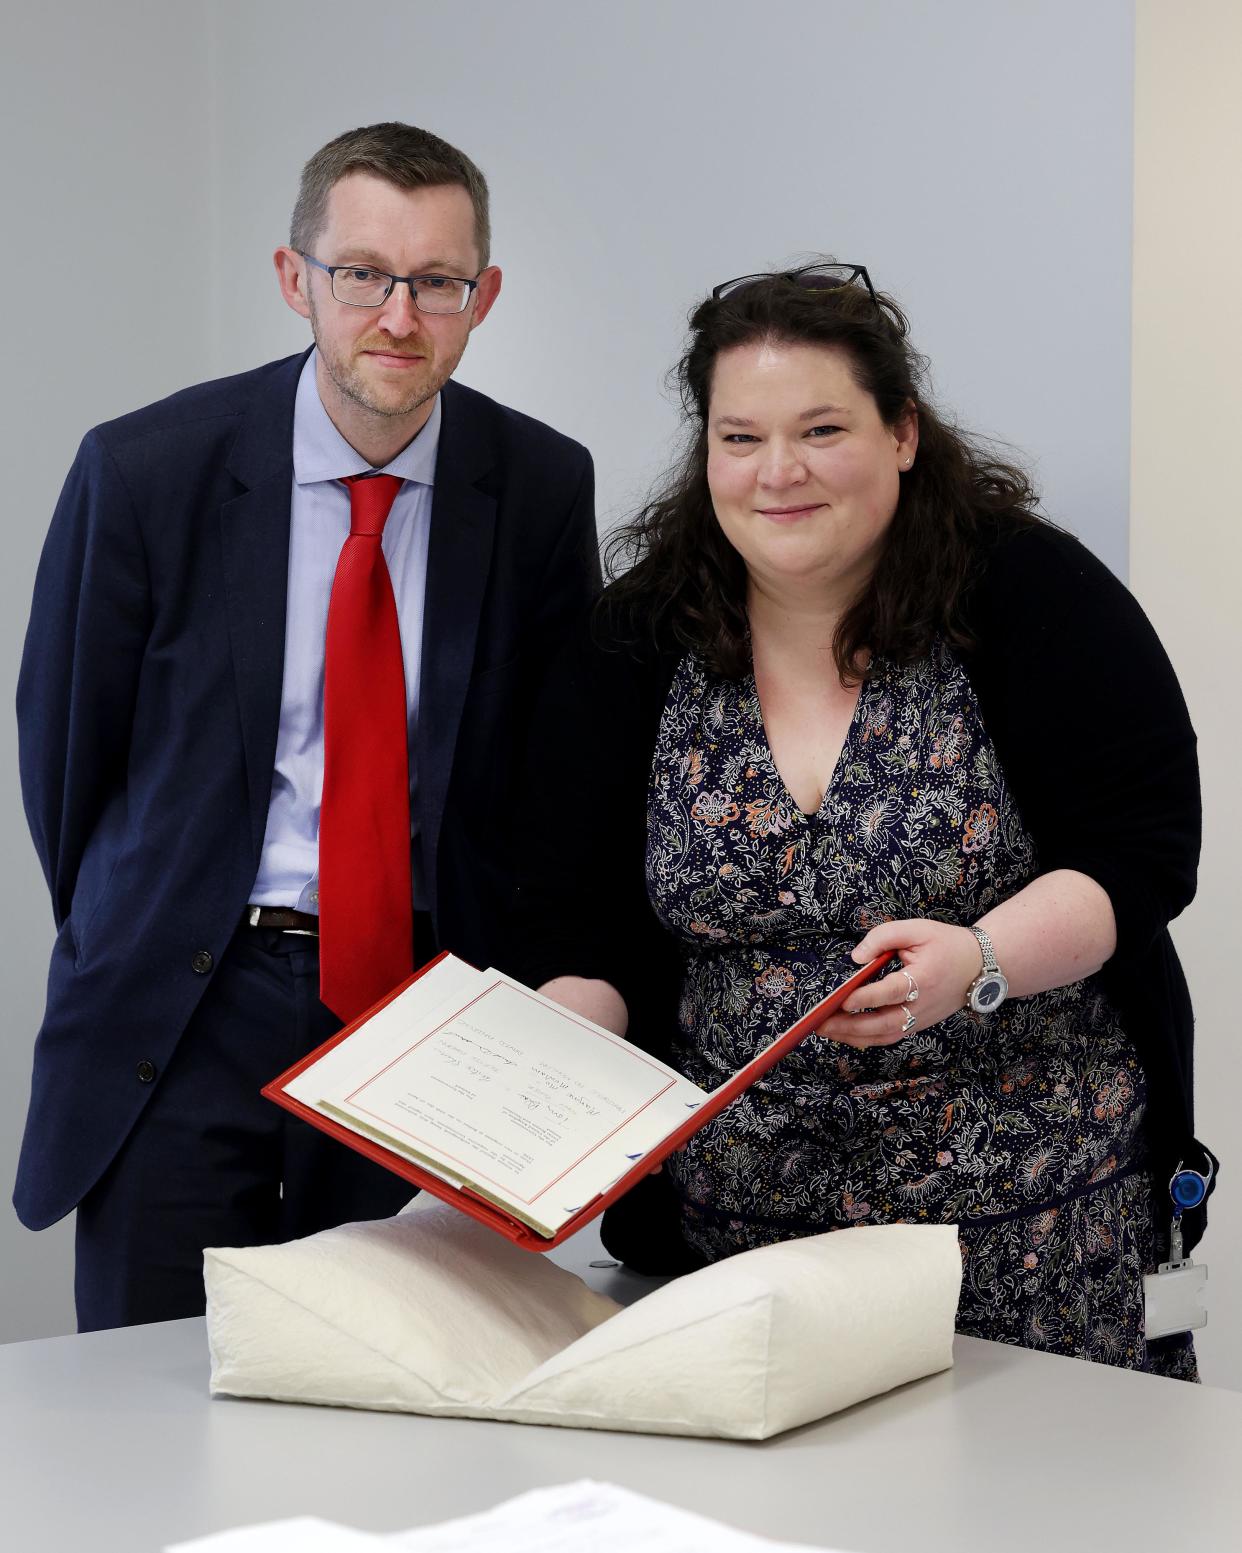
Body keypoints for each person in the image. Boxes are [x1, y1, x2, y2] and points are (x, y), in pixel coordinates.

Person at [528, 262, 1216, 1378]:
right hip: (738, 1252)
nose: (778, 472)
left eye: (820, 429)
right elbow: (576, 918)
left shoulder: (1030, 592)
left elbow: (1140, 851)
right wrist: (551, 1058)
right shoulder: (636, 637)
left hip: (1033, 1241)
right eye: (740, 437)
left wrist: (982, 956)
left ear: (901, 431)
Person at [15, 122, 599, 1331]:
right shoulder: (147, 469)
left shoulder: (540, 485)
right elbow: (68, 744)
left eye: (436, 282)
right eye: (362, 275)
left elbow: (551, 776)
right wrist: (143, 914)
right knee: (153, 1393)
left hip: (427, 1006)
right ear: (297, 280)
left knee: (394, 1383)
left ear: (482, 298)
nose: (398, 314)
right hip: (190, 996)